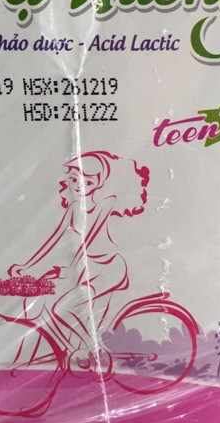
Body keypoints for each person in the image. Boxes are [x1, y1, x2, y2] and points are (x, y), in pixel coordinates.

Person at [8, 150, 149, 373]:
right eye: (74, 179)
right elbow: (55, 238)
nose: (78, 185)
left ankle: (92, 351)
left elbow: (88, 237)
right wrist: (28, 266)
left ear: (98, 184)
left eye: (87, 181)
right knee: (50, 303)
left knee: (65, 306)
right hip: (85, 266)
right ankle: (74, 351)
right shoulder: (74, 207)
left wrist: (67, 268)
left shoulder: (104, 204)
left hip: (107, 267)